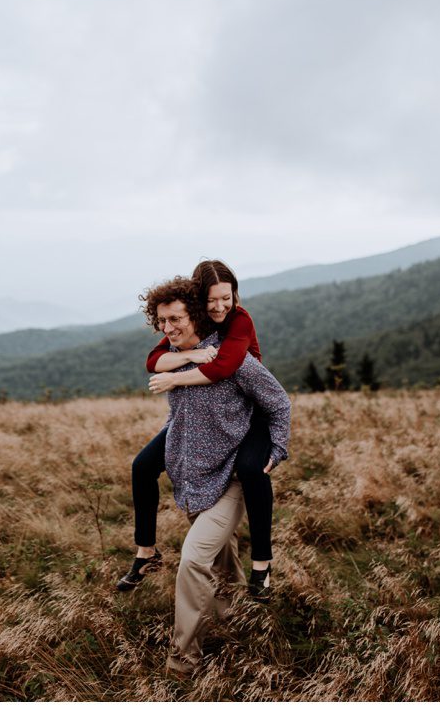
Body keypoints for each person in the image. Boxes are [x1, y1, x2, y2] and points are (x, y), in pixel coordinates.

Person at [135, 276, 291, 676]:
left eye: (175, 320)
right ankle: (238, 616)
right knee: (219, 560)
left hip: (231, 479)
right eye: (162, 321)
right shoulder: (174, 353)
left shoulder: (234, 360)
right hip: (191, 477)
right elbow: (173, 404)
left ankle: (183, 658)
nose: (168, 329)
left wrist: (275, 448)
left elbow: (278, 401)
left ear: (197, 315)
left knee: (192, 560)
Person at [117, 260, 279, 601]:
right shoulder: (191, 323)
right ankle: (147, 552)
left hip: (248, 414)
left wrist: (175, 376)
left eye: (227, 297)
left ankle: (262, 563)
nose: (220, 306)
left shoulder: (239, 320)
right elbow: (154, 360)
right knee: (143, 466)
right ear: (197, 301)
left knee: (252, 471)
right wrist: (190, 353)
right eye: (212, 299)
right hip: (198, 418)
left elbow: (222, 367)